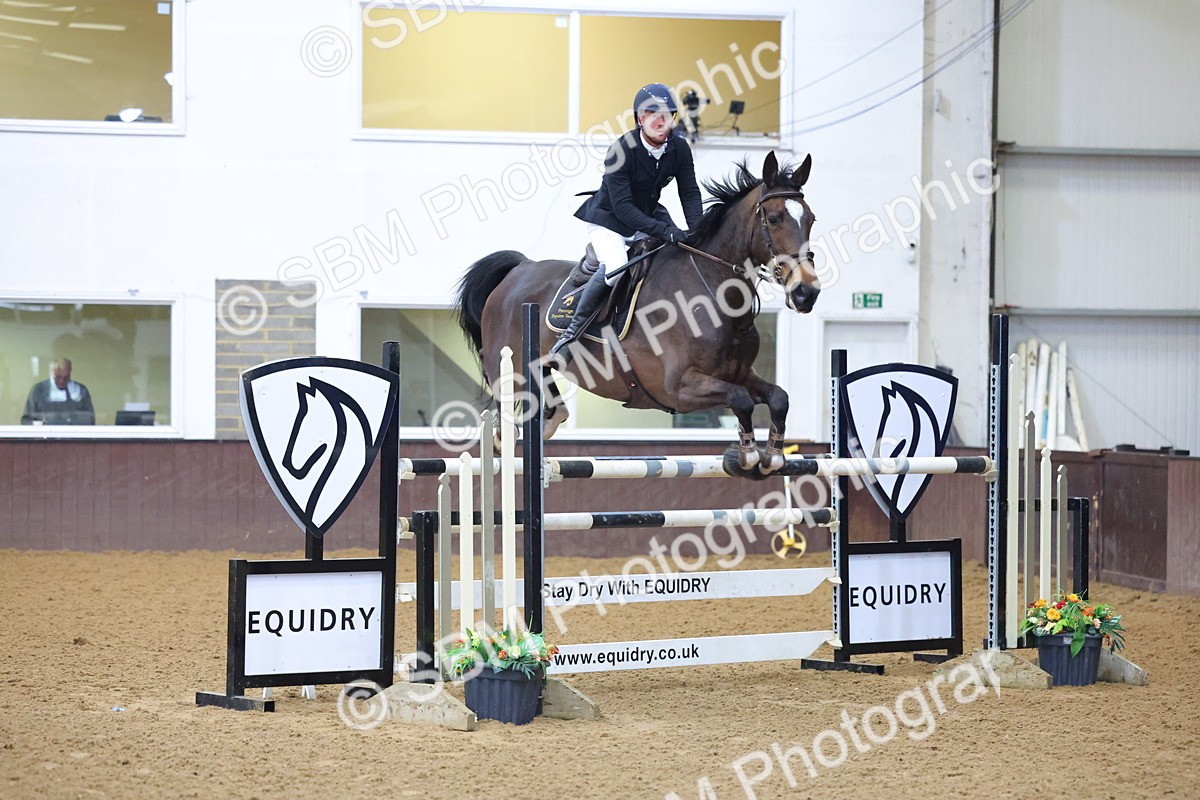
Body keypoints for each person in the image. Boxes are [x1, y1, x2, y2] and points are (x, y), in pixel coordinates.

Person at [548, 82, 704, 362]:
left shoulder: (679, 149)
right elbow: (622, 208)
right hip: (610, 220)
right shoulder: (621, 149)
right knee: (617, 267)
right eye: (651, 113)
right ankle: (569, 337)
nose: (660, 119)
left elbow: (689, 193)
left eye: (666, 114)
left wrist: (698, 231)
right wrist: (665, 230)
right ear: (639, 119)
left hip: (647, 215)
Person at [22, 358, 95, 425]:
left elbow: (90, 420)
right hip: (46, 437)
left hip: (74, 438)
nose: (61, 381)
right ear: (51, 372)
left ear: (70, 372)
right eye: (57, 377)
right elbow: (26, 421)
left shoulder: (81, 391)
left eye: (66, 378)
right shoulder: (38, 391)